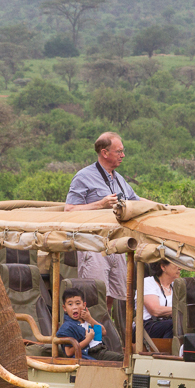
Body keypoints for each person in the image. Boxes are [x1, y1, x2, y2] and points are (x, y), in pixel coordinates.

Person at [65, 132, 145, 308]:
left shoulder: (119, 178)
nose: (123, 155)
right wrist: (100, 204)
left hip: (116, 243)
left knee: (115, 296)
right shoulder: (83, 176)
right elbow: (69, 209)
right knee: (94, 297)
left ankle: (104, 332)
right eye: (119, 151)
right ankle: (91, 334)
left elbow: (137, 201)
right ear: (104, 152)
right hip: (93, 244)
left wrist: (166, 207)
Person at [55, 287, 122, 361]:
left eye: (78, 303)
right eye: (70, 304)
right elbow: (68, 352)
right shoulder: (67, 327)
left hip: (101, 350)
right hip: (89, 354)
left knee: (126, 358)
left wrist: (90, 319)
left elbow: (103, 332)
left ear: (84, 305)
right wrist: (88, 339)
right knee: (123, 359)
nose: (74, 307)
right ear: (64, 308)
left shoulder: (87, 320)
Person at [142, 259, 178, 339]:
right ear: (163, 267)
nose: (179, 268)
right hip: (147, 325)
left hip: (168, 323)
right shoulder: (148, 282)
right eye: (176, 264)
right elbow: (155, 310)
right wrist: (180, 310)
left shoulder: (176, 285)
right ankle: (167, 351)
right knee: (172, 325)